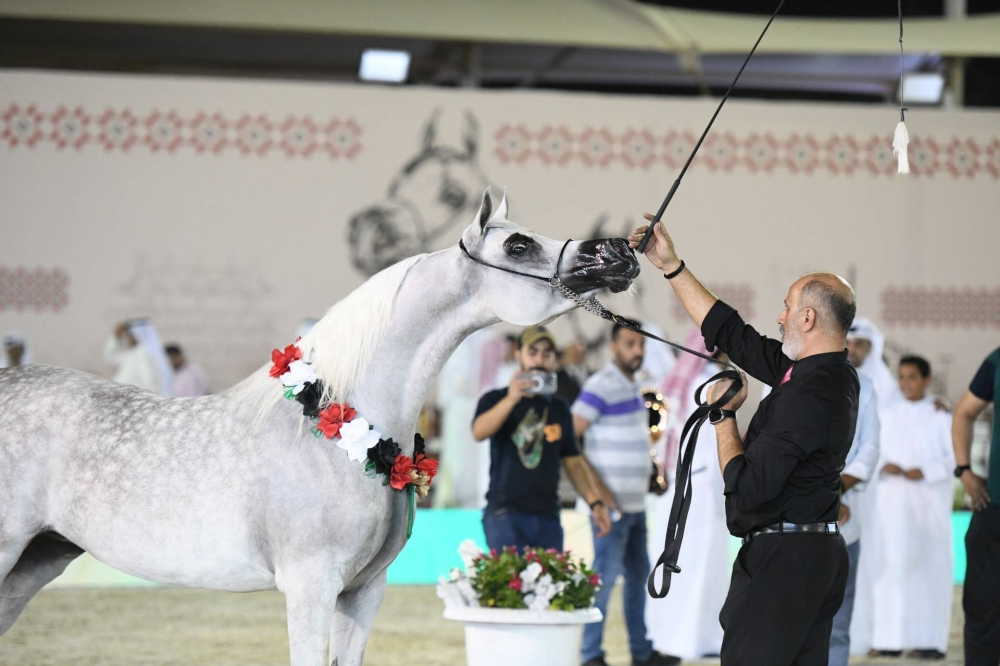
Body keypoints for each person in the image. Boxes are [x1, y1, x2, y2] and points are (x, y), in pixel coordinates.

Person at [629, 216, 858, 666]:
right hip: (813, 554)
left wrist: (723, 418)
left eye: (787, 307)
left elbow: (749, 486)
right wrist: (671, 266)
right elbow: (735, 335)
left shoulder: (809, 394)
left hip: (784, 564)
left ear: (807, 318)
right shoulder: (827, 373)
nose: (779, 316)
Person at [573, 320, 679, 666]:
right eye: (630, 344)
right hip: (611, 508)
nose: (637, 351)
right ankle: (591, 655)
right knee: (603, 580)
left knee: (637, 579)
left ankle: (642, 652)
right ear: (614, 347)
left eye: (640, 345)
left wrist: (652, 472)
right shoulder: (600, 385)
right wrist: (599, 494)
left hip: (635, 504)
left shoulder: (634, 385)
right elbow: (571, 441)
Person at [473, 326, 611, 552]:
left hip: (548, 517)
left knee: (549, 587)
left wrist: (595, 503)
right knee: (511, 586)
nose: (539, 360)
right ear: (518, 355)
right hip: (505, 514)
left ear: (554, 359)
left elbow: (573, 462)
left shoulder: (558, 407)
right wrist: (511, 399)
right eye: (533, 352)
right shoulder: (495, 398)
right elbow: (479, 432)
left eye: (546, 354)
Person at [646, 329, 730, 662]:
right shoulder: (714, 382)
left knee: (687, 565)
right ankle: (688, 639)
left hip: (687, 488)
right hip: (699, 489)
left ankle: (683, 638)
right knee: (694, 567)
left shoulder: (687, 380)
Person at [869, 356, 954, 659]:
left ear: (927, 380)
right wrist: (884, 465)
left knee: (929, 572)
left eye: (913, 377)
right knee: (890, 572)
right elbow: (871, 451)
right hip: (891, 510)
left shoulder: (941, 417)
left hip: (928, 510)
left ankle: (929, 641)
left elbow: (954, 460)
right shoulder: (887, 414)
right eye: (902, 377)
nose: (906, 383)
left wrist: (926, 471)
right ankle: (889, 639)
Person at [828, 371, 880, 666]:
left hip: (845, 519)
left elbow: (869, 449)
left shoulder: (865, 386)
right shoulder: (783, 376)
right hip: (793, 523)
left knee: (838, 617)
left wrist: (836, 493)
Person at [952, 346, 999, 666]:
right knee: (983, 613)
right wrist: (964, 470)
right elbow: (964, 413)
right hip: (995, 509)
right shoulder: (997, 360)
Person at [103, 319, 173, 396]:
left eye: (129, 336)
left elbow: (149, 380)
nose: (127, 339)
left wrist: (152, 398)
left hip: (134, 397)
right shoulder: (134, 353)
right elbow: (111, 358)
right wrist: (115, 336)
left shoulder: (145, 353)